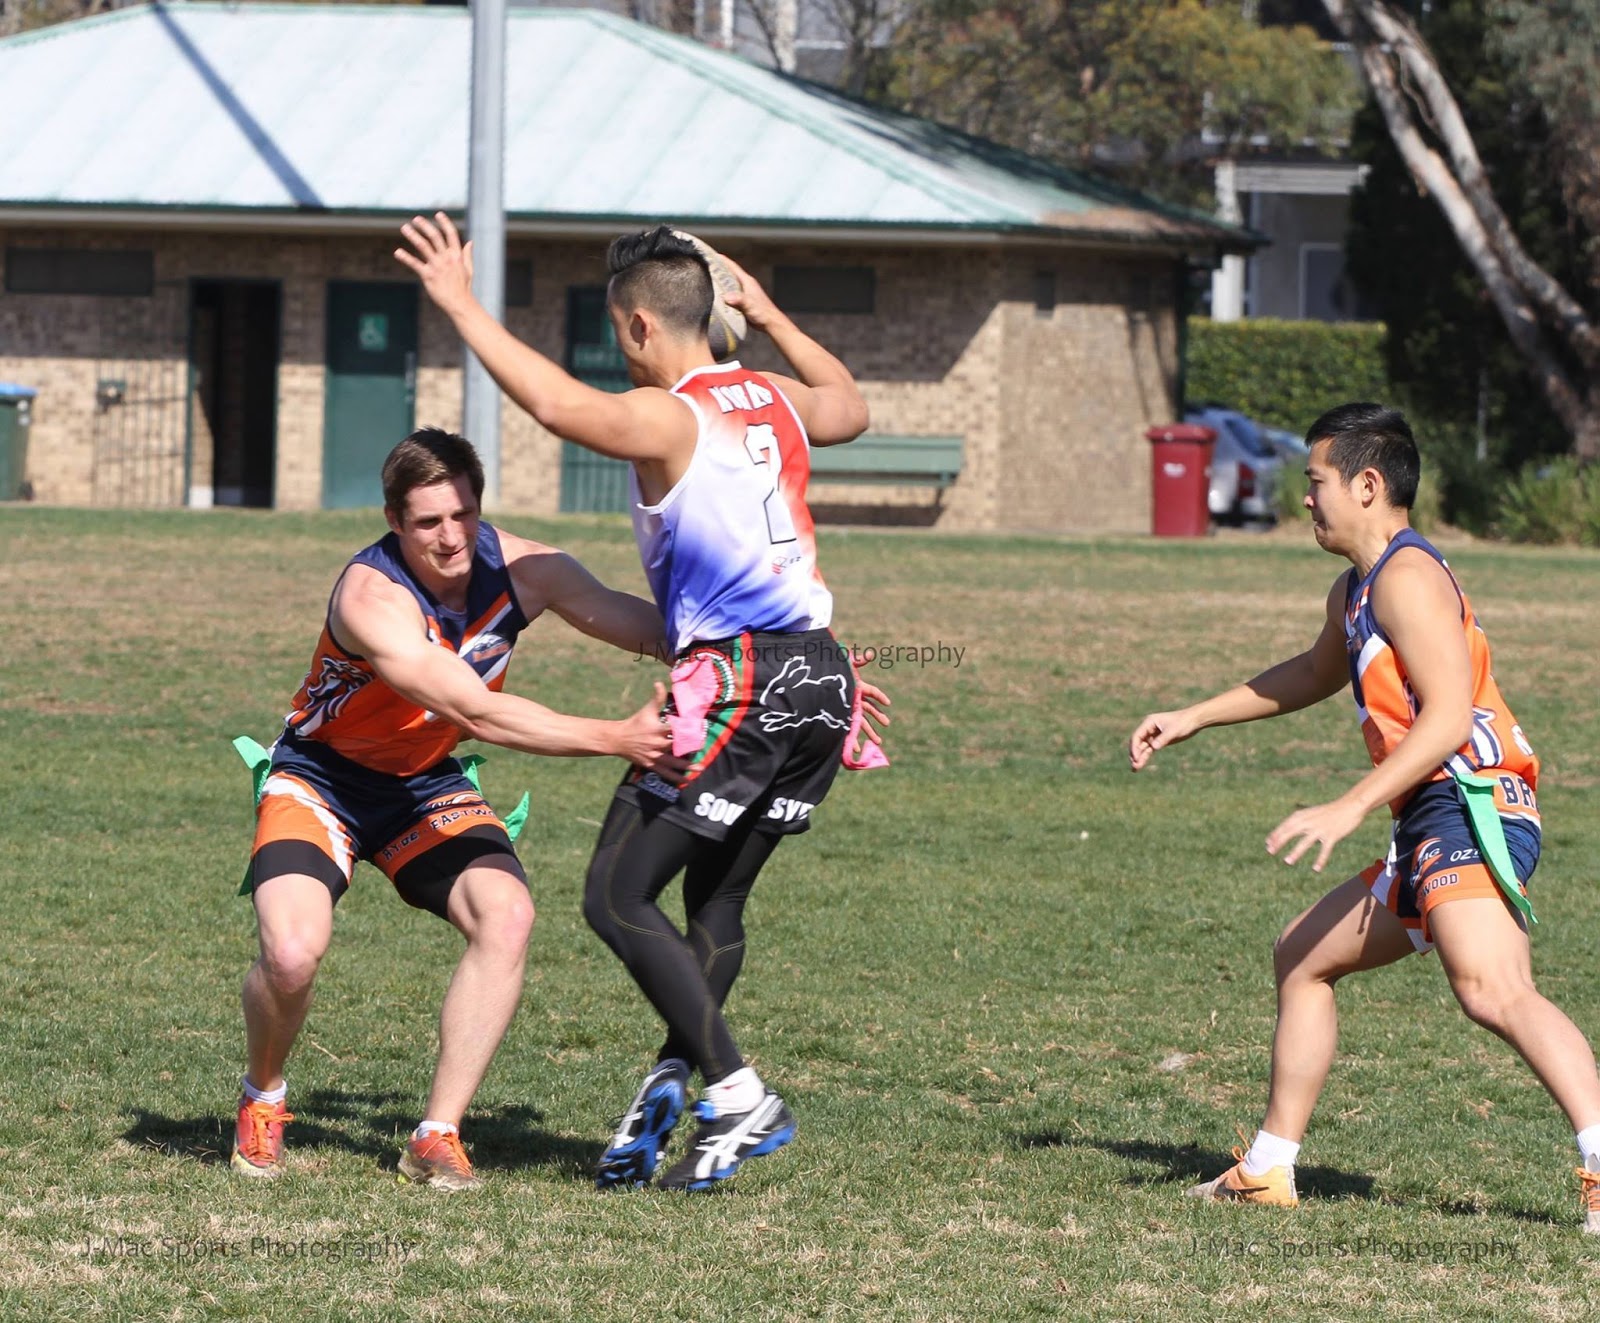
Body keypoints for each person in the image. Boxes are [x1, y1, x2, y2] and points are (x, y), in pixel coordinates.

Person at [396, 216, 887, 1191]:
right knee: (717, 900)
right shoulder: (772, 396)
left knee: (616, 895)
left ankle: (738, 1094)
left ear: (637, 327)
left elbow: (555, 406)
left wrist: (458, 304)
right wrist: (769, 313)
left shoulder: (672, 415)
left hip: (743, 683)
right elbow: (851, 406)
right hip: (823, 682)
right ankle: (680, 1079)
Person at [1129, 402, 1600, 1232]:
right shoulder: (1357, 588)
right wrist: (1195, 715)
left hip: (1470, 800)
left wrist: (1350, 805)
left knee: (1492, 987)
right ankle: (1267, 1169)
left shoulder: (1408, 578)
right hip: (1429, 811)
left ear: (1368, 484)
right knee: (1302, 956)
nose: (1307, 498)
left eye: (1317, 481)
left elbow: (1447, 718)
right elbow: (1314, 671)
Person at [233, 427, 683, 1190]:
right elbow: (476, 711)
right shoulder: (371, 597)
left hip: (423, 783)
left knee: (507, 915)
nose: (450, 537)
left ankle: (436, 1134)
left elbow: (647, 625)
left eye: (463, 514)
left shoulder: (527, 568)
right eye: (428, 522)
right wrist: (617, 737)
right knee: (292, 954)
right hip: (321, 779)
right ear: (393, 520)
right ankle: (263, 1092)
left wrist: (782, 656)